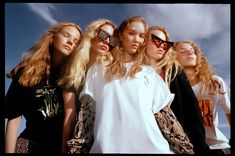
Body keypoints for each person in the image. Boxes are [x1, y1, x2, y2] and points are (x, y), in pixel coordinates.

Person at [79, 16, 175, 153]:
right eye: (131, 33)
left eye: (141, 36)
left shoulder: (148, 73)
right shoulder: (99, 68)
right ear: (121, 36)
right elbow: (86, 117)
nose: (137, 39)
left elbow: (167, 121)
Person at [5, 22, 83, 154]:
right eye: (66, 35)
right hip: (29, 143)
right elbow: (14, 116)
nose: (70, 42)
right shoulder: (27, 70)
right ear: (52, 37)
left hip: (60, 146)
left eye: (76, 41)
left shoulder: (72, 76)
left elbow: (70, 118)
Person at [143, 26, 210, 154]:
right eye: (156, 40)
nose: (162, 46)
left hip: (178, 143)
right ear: (144, 40)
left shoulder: (174, 71)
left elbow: (192, 112)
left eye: (165, 44)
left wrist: (200, 148)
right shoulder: (133, 71)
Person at [59, 18, 116, 153]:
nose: (107, 41)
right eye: (103, 35)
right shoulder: (72, 68)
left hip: (106, 136)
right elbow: (70, 114)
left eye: (113, 40)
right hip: (80, 137)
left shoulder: (112, 69)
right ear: (92, 34)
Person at [174, 40, 231, 154]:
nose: (189, 53)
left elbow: (229, 113)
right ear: (173, 58)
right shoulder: (171, 88)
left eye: (192, 51)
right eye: (182, 51)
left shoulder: (214, 83)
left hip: (217, 147)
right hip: (188, 150)